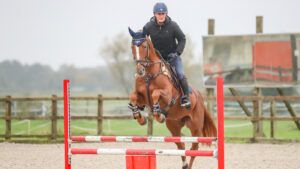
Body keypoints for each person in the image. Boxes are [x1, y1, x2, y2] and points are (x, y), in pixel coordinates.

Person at [143, 2, 191, 108]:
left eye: (162, 13)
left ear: (166, 14)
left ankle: (186, 97)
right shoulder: (148, 26)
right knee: (144, 75)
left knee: (180, 74)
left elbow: (182, 39)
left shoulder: (173, 25)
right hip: (157, 59)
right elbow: (142, 39)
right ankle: (143, 99)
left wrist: (177, 53)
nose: (161, 16)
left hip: (172, 57)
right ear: (154, 14)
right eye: (158, 14)